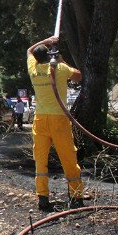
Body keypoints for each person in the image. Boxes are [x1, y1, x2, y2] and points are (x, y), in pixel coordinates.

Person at [27, 35, 83, 211]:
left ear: (36, 59)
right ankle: (75, 197)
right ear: (50, 56)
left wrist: (47, 40)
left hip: (40, 119)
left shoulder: (33, 70)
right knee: (68, 157)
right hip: (59, 118)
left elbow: (29, 50)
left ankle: (42, 197)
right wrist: (60, 58)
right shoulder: (59, 68)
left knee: (40, 161)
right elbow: (78, 77)